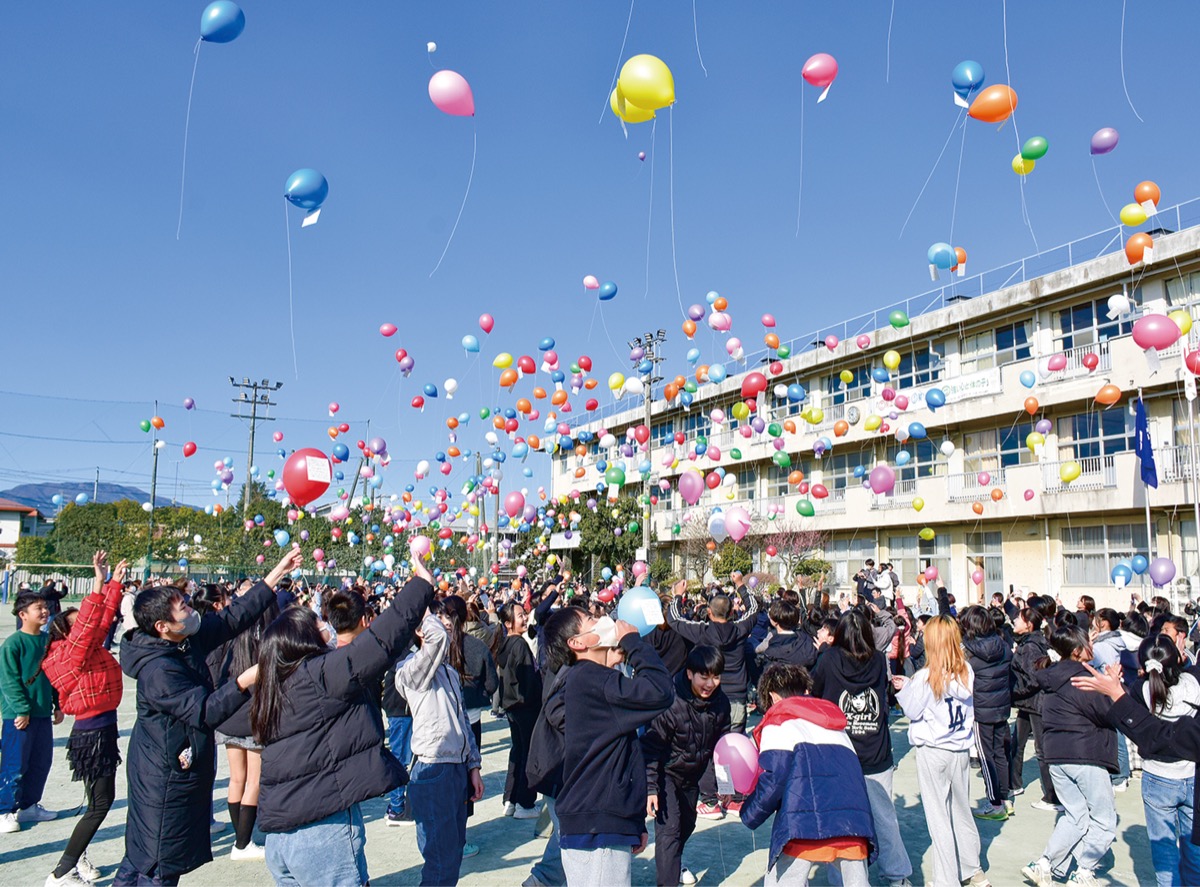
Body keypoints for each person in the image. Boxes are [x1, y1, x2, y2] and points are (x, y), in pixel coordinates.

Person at [114, 548, 300, 887]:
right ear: (163, 626)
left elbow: (233, 617)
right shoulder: (159, 670)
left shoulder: (182, 641)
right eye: (182, 607)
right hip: (163, 776)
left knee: (144, 856)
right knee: (157, 862)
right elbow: (204, 711)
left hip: (175, 766)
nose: (190, 608)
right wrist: (247, 679)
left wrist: (275, 574)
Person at [251, 549, 435, 887]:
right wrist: (421, 584)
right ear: (301, 641)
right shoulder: (319, 675)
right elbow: (380, 640)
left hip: (280, 834)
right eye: (317, 624)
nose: (326, 626)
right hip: (321, 831)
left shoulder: (274, 686)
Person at [537, 606, 674, 886]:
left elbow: (618, 755)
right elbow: (660, 691)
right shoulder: (589, 679)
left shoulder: (591, 678)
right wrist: (633, 643)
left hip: (603, 820)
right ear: (578, 643)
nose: (602, 620)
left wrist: (633, 822)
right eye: (591, 619)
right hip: (595, 827)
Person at [741, 662, 876, 886]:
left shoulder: (778, 723)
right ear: (805, 691)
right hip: (853, 823)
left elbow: (775, 779)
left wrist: (749, 814)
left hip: (802, 826)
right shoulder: (836, 725)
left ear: (773, 697)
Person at [42, 552, 126, 887]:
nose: (87, 626)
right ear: (67, 632)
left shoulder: (84, 647)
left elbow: (101, 620)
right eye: (77, 624)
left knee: (97, 803)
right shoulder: (69, 654)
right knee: (100, 804)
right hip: (92, 735)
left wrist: (114, 581)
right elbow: (92, 621)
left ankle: (79, 859)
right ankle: (61, 872)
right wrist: (97, 581)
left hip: (101, 729)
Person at [810, 609, 912, 885]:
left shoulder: (828, 659)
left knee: (843, 824)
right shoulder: (879, 660)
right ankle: (897, 874)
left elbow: (815, 694)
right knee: (884, 817)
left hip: (839, 753)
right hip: (875, 750)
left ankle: (845, 877)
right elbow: (886, 696)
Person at [893, 616, 991, 887]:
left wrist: (907, 688)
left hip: (933, 749)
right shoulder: (966, 671)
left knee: (939, 819)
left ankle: (946, 880)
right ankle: (972, 869)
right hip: (959, 748)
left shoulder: (926, 676)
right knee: (961, 811)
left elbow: (912, 711)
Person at [1022, 625, 1118, 887]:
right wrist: (1114, 688)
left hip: (1057, 754)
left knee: (1075, 815)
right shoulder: (1084, 677)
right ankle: (1084, 871)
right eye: (1088, 642)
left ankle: (1045, 863)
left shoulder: (1051, 676)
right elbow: (1110, 712)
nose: (1092, 646)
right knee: (1105, 819)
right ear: (1077, 651)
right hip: (1086, 753)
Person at [396, 608, 485, 886]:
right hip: (432, 769)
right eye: (439, 625)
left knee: (453, 854)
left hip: (456, 768)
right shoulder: (409, 670)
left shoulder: (450, 673)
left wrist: (473, 766)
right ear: (422, 631)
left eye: (449, 626)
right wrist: (422, 602)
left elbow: (462, 722)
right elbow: (435, 642)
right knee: (440, 861)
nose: (446, 630)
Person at [667, 580, 759, 819]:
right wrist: (741, 586)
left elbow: (674, 619)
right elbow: (754, 608)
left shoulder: (701, 631)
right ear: (731, 612)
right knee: (733, 748)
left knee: (710, 750)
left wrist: (678, 595)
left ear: (709, 612)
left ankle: (710, 800)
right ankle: (734, 797)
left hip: (709, 698)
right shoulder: (739, 629)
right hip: (737, 697)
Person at [642, 645, 731, 887]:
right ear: (690, 673)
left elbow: (723, 747)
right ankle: (668, 879)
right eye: (704, 676)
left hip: (692, 774)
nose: (710, 683)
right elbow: (650, 748)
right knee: (669, 829)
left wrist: (725, 783)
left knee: (687, 824)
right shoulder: (670, 701)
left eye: (716, 676)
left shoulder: (721, 704)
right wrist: (651, 787)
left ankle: (672, 861)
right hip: (666, 773)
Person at [214, 584, 281, 861]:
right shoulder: (267, 642)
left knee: (237, 778)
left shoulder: (232, 637)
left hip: (229, 715)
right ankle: (242, 843)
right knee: (253, 780)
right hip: (253, 717)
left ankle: (238, 837)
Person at [432, 595, 498, 857]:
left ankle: (446, 836)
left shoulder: (434, 647)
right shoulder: (476, 646)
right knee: (469, 779)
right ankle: (459, 837)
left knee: (447, 779)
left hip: (441, 723)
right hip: (470, 721)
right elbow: (492, 683)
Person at [1133, 635, 1200, 886]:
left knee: (1164, 854)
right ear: (1178, 658)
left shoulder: (1140, 690)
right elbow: (1192, 668)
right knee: (1194, 850)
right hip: (1192, 774)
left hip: (1158, 778)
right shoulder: (1194, 684)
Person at [0, 589, 61, 835]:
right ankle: (5, 810)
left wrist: (57, 704)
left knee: (40, 762)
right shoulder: (13, 643)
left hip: (42, 713)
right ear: (23, 614)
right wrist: (21, 709)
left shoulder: (47, 642)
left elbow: (54, 675)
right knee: (15, 765)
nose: (45, 611)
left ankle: (29, 805)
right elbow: (8, 680)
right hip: (18, 716)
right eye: (39, 608)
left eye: (45, 607)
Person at [959, 605, 1014, 820]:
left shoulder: (971, 654)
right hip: (1001, 706)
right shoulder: (1003, 644)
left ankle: (995, 803)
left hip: (981, 710)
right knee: (1000, 752)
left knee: (986, 756)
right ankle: (1005, 797)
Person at [1009, 607, 1060, 812]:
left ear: (1028, 625)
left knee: (1042, 750)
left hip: (1035, 702)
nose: (1014, 621)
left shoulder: (1030, 647)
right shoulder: (1032, 642)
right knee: (1017, 744)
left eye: (1018, 619)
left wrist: (1014, 692)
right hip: (1027, 704)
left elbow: (1033, 679)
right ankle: (1014, 784)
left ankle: (1052, 796)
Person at [496, 602, 543, 818]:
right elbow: (529, 681)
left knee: (517, 752)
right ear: (508, 623)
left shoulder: (506, 644)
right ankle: (525, 802)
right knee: (527, 753)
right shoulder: (519, 645)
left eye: (524, 614)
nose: (524, 618)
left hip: (512, 706)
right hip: (525, 706)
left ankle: (511, 799)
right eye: (519, 616)